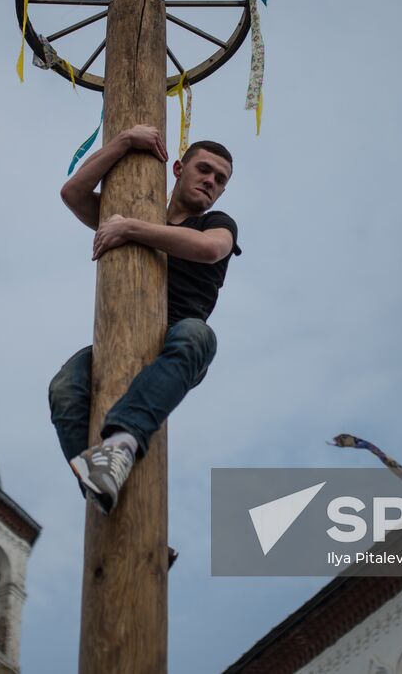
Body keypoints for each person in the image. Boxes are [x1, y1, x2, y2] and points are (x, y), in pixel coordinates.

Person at [48, 124, 241, 514]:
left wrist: (129, 227)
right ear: (179, 169)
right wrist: (124, 142)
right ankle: (110, 498)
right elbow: (73, 192)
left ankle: (119, 446)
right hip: (119, 334)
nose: (211, 181)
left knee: (198, 334)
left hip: (176, 343)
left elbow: (209, 249)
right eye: (204, 169)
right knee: (66, 387)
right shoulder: (133, 205)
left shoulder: (215, 223)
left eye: (220, 180)